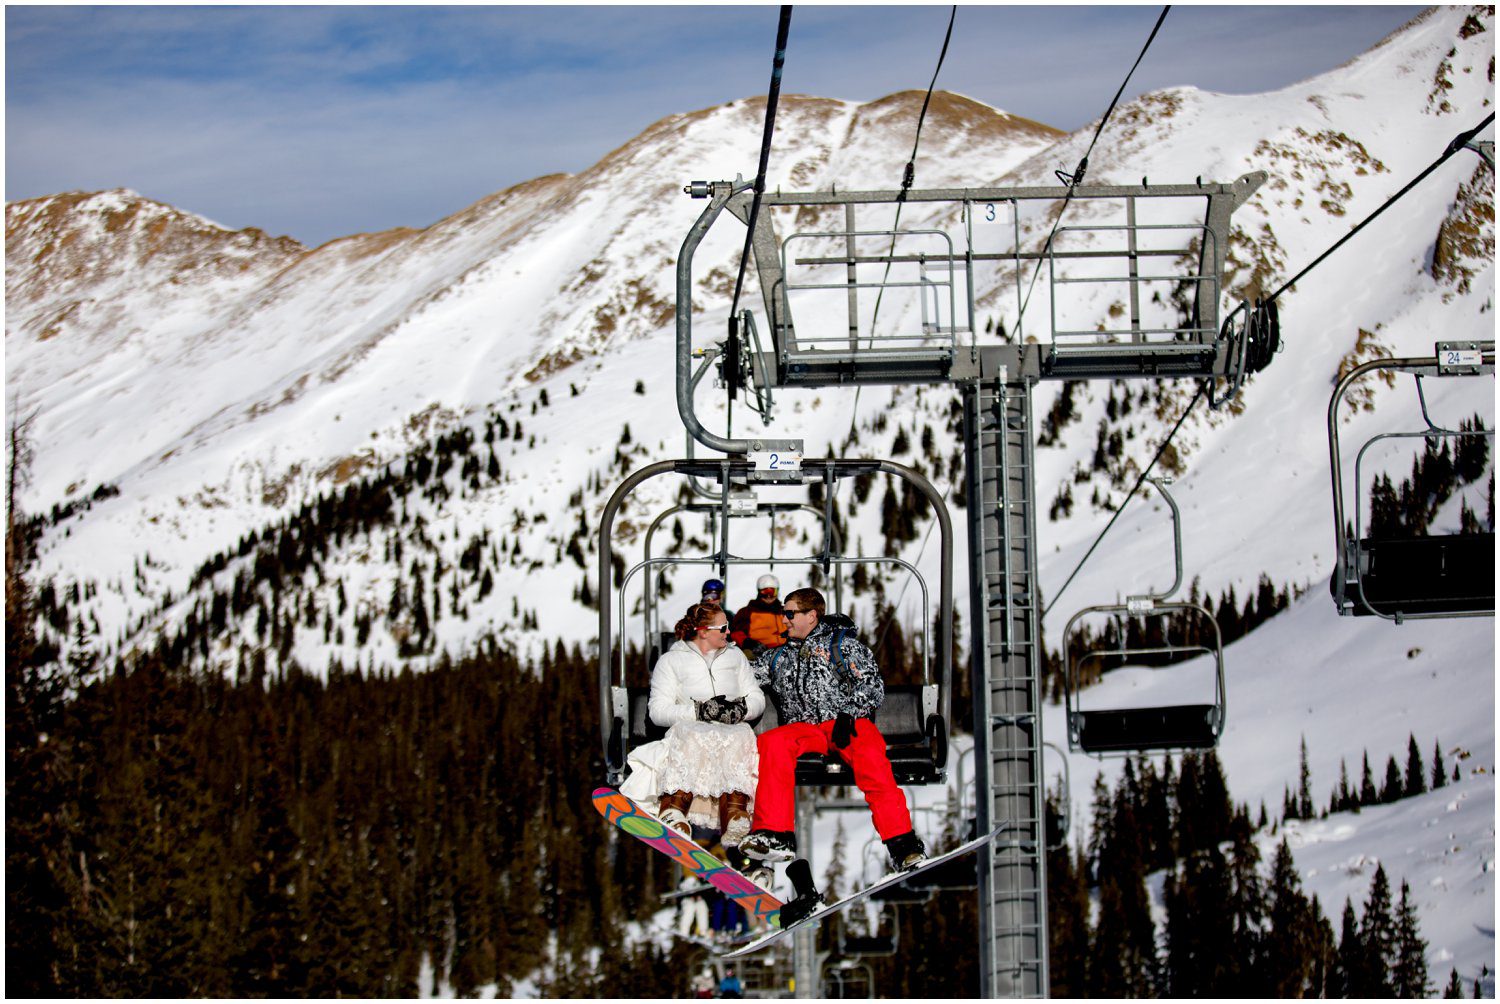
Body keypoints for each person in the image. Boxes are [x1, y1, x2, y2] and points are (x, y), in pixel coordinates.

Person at [740, 587, 927, 872]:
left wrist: (849, 713)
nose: (785, 620)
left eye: (790, 613)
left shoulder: (843, 646)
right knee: (772, 743)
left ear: (811, 616)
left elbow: (871, 684)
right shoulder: (778, 657)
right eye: (783, 614)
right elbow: (741, 677)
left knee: (870, 758)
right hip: (804, 729)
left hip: (844, 723)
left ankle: (903, 845)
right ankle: (776, 834)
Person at [648, 602, 765, 846]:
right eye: (722, 628)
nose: (728, 633)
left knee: (740, 735)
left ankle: (734, 812)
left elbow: (756, 697)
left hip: (730, 727)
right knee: (691, 734)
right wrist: (698, 711)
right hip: (690, 727)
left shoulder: (735, 657)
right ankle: (674, 808)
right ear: (703, 631)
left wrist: (741, 709)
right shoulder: (671, 661)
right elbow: (658, 711)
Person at [729, 574, 787, 657]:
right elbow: (736, 633)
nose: (768, 596)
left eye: (772, 592)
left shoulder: (784, 611)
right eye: (764, 592)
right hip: (760, 652)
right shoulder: (748, 612)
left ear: (777, 592)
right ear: (759, 592)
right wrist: (749, 643)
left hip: (784, 650)